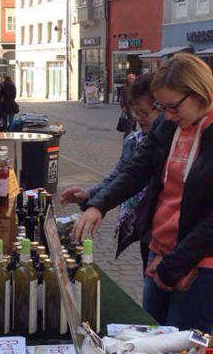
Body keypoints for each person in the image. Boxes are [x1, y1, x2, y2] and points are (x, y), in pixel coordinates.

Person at [72, 54, 213, 333]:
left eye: (172, 107)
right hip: (159, 255)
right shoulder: (168, 124)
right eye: (162, 108)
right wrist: (98, 204)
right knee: (151, 348)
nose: (168, 116)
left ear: (198, 91)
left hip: (204, 267)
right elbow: (137, 170)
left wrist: (174, 266)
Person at [60, 74, 158, 272]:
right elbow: (119, 177)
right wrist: (89, 196)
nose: (139, 120)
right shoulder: (133, 141)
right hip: (144, 228)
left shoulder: (173, 142)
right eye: (135, 113)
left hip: (163, 230)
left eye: (144, 113)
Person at [118, 72, 137, 137]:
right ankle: (127, 133)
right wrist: (122, 106)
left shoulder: (136, 86)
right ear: (128, 79)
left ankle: (133, 129)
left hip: (135, 105)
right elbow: (122, 97)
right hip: (127, 106)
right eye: (130, 79)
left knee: (134, 118)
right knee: (131, 119)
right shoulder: (124, 87)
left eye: (133, 79)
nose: (132, 80)